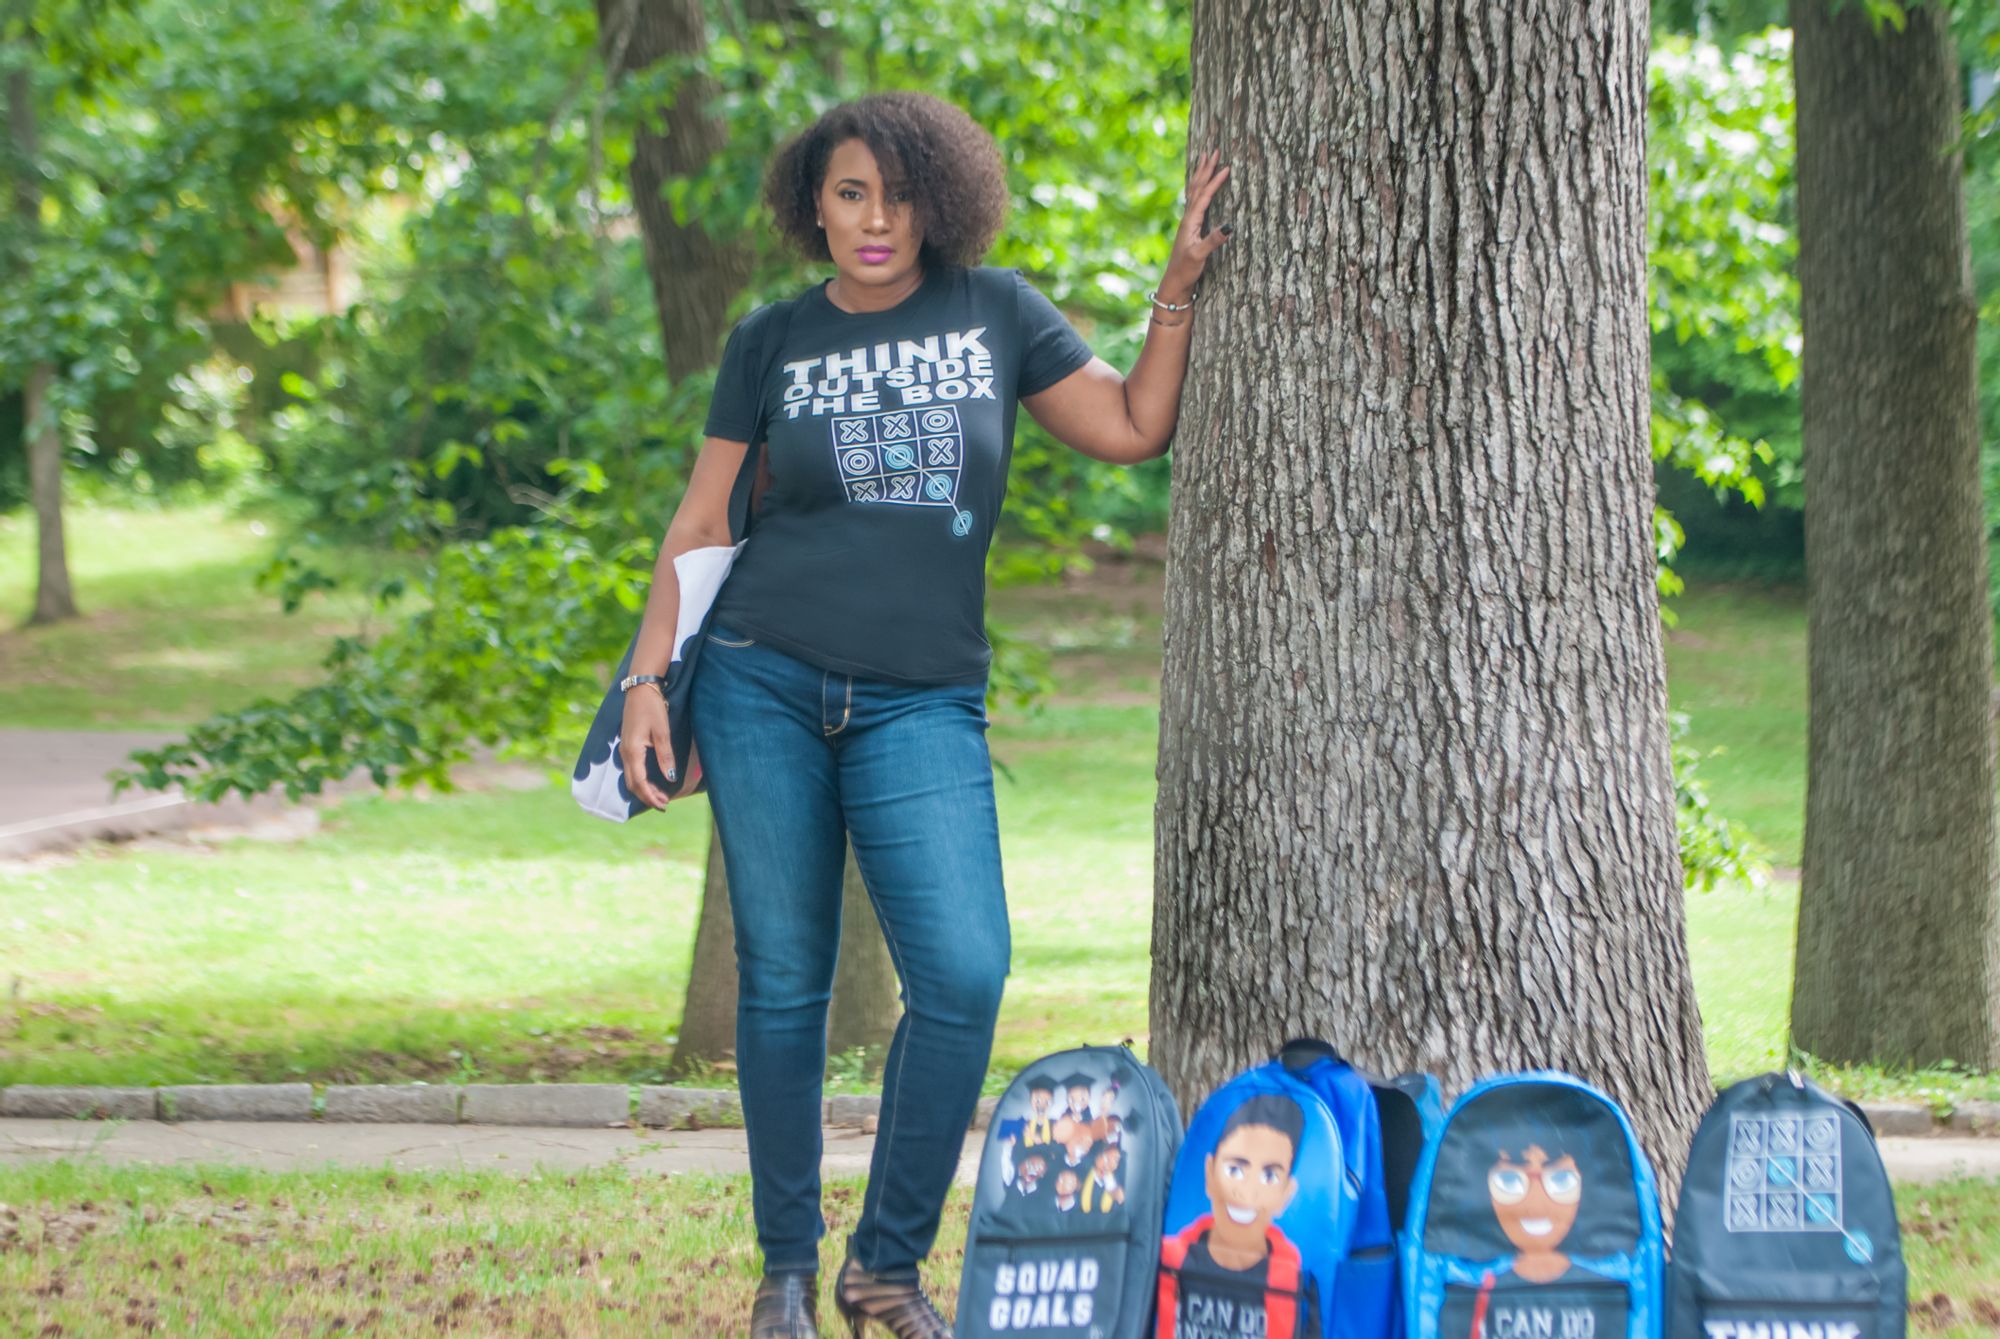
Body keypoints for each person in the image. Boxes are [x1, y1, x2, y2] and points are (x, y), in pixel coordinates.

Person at [614, 90, 1230, 1339]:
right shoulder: (771, 339)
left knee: (961, 971)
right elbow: (699, 524)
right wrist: (644, 682)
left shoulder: (995, 311)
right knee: (782, 982)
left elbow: (1130, 426)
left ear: (939, 200)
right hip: (760, 676)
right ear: (814, 205)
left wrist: (1174, 287)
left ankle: (884, 1266)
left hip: (921, 700)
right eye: (849, 194)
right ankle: (788, 1266)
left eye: (896, 195)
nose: (874, 220)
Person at [1158, 1093, 1321, 1339]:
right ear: (1210, 1174)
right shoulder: (1173, 1257)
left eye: (1269, 1176)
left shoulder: (1296, 1277)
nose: (1248, 1192)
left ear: (1286, 1194)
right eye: (1234, 1169)